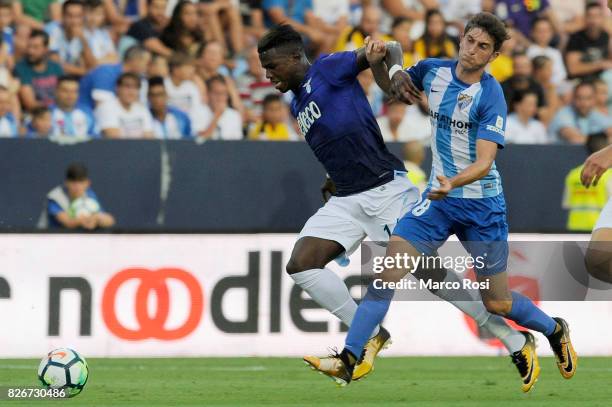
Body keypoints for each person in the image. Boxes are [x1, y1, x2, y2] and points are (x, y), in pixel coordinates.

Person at [306, 12, 577, 392]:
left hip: (481, 207)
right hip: (437, 202)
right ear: (461, 38)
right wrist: (396, 68)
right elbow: (393, 79)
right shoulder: (433, 70)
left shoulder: (490, 94)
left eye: (483, 46)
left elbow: (484, 163)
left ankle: (553, 328)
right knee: (389, 270)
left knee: (497, 303)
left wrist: (453, 181)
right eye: (469, 40)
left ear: (494, 54)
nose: (472, 50)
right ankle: (350, 357)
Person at [258, 23, 525, 383]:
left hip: (386, 192)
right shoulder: (297, 102)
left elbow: (385, 48)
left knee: (432, 276)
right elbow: (340, 137)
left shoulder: (328, 67)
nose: (267, 74)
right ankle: (370, 333)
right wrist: (332, 175)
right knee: (302, 264)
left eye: (272, 66)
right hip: (347, 198)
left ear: (295, 57)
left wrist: (395, 70)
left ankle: (510, 337)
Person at [41, 162, 115, 230]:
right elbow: (68, 223)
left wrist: (97, 219)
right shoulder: (55, 197)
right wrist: (84, 220)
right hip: (49, 240)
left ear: (87, 183)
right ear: (66, 182)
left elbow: (110, 221)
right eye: (73, 182)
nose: (77, 186)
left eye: (81, 182)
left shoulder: (89, 195)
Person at [564, 133, 612, 232]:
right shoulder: (609, 175)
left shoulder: (573, 174)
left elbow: (567, 203)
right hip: (601, 228)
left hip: (575, 226)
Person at [78, 45, 151, 109]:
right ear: (136, 60)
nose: (148, 68)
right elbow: (102, 107)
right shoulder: (106, 72)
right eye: (147, 63)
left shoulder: (138, 79)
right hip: (84, 113)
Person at [13, 29, 63, 111]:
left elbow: (65, 91)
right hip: (37, 115)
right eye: (29, 46)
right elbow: (30, 104)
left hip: (58, 111)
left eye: (35, 47)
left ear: (46, 49)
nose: (30, 51)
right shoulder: (20, 68)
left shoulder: (55, 67)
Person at [95, 72, 154, 138]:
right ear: (117, 88)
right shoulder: (106, 107)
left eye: (136, 87)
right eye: (127, 86)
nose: (131, 91)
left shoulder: (142, 109)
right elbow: (113, 137)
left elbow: (149, 137)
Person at [45, 0, 96, 76]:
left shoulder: (85, 34)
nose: (74, 21)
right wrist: (84, 72)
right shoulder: (52, 30)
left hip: (74, 76)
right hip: (53, 77)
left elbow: (92, 65)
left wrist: (83, 40)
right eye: (69, 16)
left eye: (78, 16)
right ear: (62, 16)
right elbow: (55, 63)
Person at [565, 2, 612, 81]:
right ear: (585, 18)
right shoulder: (576, 38)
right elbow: (573, 69)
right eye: (590, 16)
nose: (594, 21)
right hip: (580, 80)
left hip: (601, 79)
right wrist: (600, 65)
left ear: (602, 18)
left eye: (597, 16)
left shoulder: (606, 36)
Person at [199, 75, 243, 140]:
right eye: (216, 93)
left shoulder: (234, 115)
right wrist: (217, 116)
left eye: (223, 93)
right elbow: (199, 142)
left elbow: (237, 144)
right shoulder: (199, 112)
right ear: (208, 94)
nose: (220, 97)